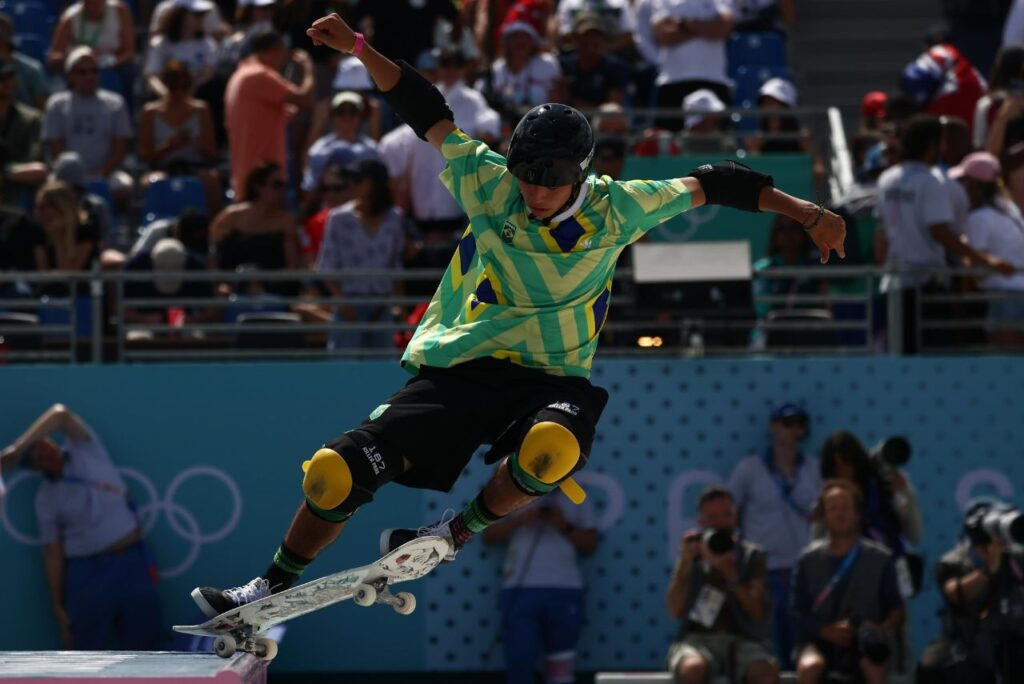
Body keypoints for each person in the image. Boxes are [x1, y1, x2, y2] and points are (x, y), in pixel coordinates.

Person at [188, 11, 847, 619]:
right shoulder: (489, 179)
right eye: (527, 175)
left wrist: (811, 214)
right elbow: (426, 109)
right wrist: (360, 48)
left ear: (580, 175)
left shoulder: (618, 208)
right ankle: (265, 587)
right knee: (332, 475)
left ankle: (452, 533)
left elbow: (721, 180)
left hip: (554, 377)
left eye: (549, 180)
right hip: (464, 367)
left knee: (553, 449)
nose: (533, 192)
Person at [0, 404, 163, 650]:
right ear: (35, 469)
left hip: (131, 563)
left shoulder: (86, 449)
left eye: (45, 447)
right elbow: (53, 555)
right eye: (39, 458)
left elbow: (60, 415)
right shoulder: (45, 500)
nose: (47, 455)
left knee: (150, 645)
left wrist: (17, 449)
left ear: (50, 440)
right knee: (85, 652)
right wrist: (57, 608)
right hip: (88, 574)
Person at [874, 114, 1013, 353]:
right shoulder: (930, 182)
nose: (944, 148)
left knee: (899, 355)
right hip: (925, 287)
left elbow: (880, 235)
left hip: (893, 284)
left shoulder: (887, 179)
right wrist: (984, 259)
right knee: (930, 357)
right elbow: (939, 231)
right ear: (931, 145)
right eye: (942, 142)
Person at [728, 403, 821, 670]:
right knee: (765, 639)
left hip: (802, 567)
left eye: (799, 424)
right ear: (773, 426)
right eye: (787, 423)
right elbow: (729, 510)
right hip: (763, 568)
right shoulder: (750, 468)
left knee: (800, 638)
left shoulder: (813, 468)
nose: (794, 429)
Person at [792, 480, 905, 684]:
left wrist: (881, 628)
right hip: (819, 640)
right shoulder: (808, 560)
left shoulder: (880, 558)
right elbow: (797, 612)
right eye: (832, 508)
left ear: (857, 514)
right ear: (824, 516)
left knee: (875, 665)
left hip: (865, 640)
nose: (839, 513)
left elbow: (896, 609)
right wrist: (824, 630)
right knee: (811, 667)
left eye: (845, 507)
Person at [482, 490, 599, 684]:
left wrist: (564, 525)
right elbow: (488, 536)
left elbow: (591, 544)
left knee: (560, 665)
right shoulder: (511, 489)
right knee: (520, 659)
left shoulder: (576, 494)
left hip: (565, 588)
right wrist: (519, 520)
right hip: (520, 588)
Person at [665, 486, 778, 684]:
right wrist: (685, 564)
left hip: (745, 639)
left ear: (734, 518)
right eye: (712, 517)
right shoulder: (693, 555)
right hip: (699, 639)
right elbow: (674, 611)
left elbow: (756, 612)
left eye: (725, 515)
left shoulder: (752, 556)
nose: (719, 523)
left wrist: (732, 577)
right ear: (702, 521)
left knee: (764, 672)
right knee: (692, 670)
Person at [917, 499, 1024, 684]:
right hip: (969, 650)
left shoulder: (1017, 559)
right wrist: (988, 569)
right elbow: (956, 595)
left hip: (1014, 646)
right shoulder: (953, 562)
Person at [315, 158, 405, 350]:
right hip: (349, 306)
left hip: (382, 307)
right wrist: (342, 302)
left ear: (373, 184)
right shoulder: (338, 218)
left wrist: (398, 305)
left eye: (358, 179)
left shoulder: (394, 218)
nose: (351, 184)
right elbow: (327, 263)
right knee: (343, 370)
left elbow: (395, 265)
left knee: (382, 368)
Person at [224, 29, 314, 200]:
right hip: (264, 181)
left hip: (250, 174)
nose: (282, 61)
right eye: (282, 54)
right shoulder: (260, 75)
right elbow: (306, 100)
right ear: (274, 50)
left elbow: (287, 112)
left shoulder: (240, 74)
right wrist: (307, 68)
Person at [951, 151, 1024, 347]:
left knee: (1007, 366)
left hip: (1004, 298)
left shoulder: (979, 218)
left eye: (963, 181)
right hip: (1016, 293)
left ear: (973, 185)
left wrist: (964, 256)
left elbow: (978, 273)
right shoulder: (1010, 209)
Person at [42, 47, 134, 196]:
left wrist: (100, 174)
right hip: (67, 174)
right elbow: (56, 149)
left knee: (123, 187)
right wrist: (75, 174)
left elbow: (120, 150)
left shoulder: (116, 103)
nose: (89, 76)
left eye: (94, 70)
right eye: (82, 72)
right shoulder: (56, 104)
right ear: (70, 76)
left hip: (107, 173)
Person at [143, 0, 217, 98]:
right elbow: (152, 77)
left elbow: (208, 73)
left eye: (203, 14)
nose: (201, 18)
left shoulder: (207, 45)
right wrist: (168, 96)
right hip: (165, 100)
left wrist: (187, 96)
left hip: (197, 97)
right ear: (180, 15)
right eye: (196, 14)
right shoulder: (161, 44)